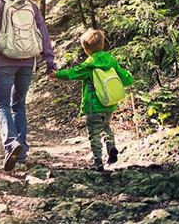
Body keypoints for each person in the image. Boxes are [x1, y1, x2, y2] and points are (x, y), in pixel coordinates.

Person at [0, 0, 56, 171]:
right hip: (27, 61)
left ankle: (11, 143)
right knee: (19, 105)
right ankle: (21, 150)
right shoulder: (31, 6)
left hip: (4, 61)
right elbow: (43, 33)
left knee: (2, 105)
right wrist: (50, 61)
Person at [51, 29, 133, 171]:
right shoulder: (111, 60)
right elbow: (125, 78)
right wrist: (129, 78)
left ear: (86, 49)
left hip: (93, 106)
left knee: (94, 133)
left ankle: (98, 163)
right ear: (102, 44)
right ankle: (111, 147)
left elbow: (72, 73)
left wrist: (57, 74)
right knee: (106, 127)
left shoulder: (89, 65)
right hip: (109, 104)